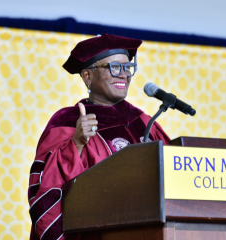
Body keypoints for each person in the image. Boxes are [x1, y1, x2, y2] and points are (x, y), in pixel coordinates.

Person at [27, 33, 171, 240]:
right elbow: (47, 189)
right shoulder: (67, 122)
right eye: (114, 68)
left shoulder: (143, 121)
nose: (123, 75)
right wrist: (76, 143)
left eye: (127, 68)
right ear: (87, 76)